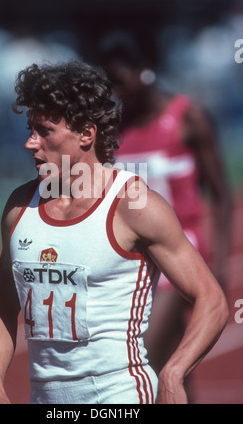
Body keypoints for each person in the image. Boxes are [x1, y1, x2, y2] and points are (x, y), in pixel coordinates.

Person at [0, 60, 228, 405]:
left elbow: (211, 300)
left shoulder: (134, 205)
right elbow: (2, 306)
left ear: (86, 133)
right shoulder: (19, 207)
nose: (30, 144)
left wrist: (173, 372)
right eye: (29, 130)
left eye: (44, 131)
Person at [99, 34, 232, 386]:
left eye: (120, 79)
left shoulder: (188, 117)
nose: (116, 90)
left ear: (144, 71)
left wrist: (218, 262)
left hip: (181, 246)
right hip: (134, 253)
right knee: (175, 361)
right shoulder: (113, 127)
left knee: (143, 358)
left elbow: (221, 193)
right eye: (109, 81)